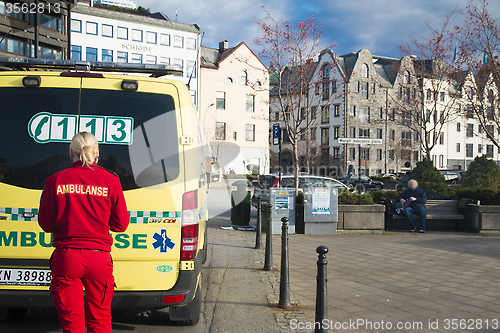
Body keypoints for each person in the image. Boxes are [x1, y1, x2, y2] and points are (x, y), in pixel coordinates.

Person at [38, 132, 130, 333]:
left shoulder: (55, 180)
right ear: (96, 152)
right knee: (100, 321)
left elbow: (45, 224)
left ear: (70, 152)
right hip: (99, 259)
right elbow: (121, 225)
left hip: (68, 258)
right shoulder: (111, 181)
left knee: (72, 324)